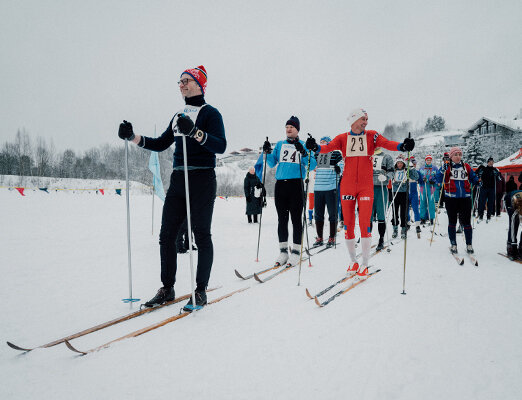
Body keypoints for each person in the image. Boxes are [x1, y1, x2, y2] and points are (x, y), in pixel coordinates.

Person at [118, 65, 226, 310]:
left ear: (200, 84)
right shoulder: (179, 116)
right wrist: (133, 137)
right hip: (179, 179)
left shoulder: (211, 113)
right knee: (167, 235)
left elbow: (220, 146)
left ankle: (200, 291)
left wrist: (196, 133)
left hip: (202, 178)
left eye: (187, 80)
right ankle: (167, 288)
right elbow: (160, 143)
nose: (182, 85)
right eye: (180, 82)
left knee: (201, 234)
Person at [306, 108, 414, 278]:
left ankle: (364, 263)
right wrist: (315, 147)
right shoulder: (343, 137)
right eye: (363, 119)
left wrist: (403, 145)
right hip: (348, 185)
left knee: (365, 223)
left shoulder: (372, 135)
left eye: (367, 119)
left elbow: (387, 143)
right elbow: (327, 148)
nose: (366, 122)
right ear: (354, 120)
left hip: (366, 185)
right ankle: (352, 260)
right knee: (348, 225)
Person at [259, 116, 316, 267]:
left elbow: (312, 165)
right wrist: (266, 151)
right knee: (282, 219)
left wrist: (304, 152)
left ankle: (296, 252)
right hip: (281, 186)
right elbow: (271, 162)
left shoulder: (303, 144)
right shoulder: (280, 144)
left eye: (291, 127)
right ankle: (283, 251)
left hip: (296, 185)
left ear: (297, 129)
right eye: (286, 127)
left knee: (296, 219)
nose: (288, 129)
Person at [435, 147, 479, 254]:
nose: (458, 157)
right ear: (451, 156)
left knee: (467, 222)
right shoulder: (447, 167)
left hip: (465, 198)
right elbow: (438, 179)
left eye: (460, 154)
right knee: (452, 222)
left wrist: (478, 181)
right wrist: (442, 170)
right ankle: (453, 244)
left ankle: (469, 244)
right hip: (451, 198)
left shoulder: (466, 166)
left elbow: (473, 177)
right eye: (456, 155)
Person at [312, 136, 343, 248]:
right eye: (321, 142)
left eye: (324, 142)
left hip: (331, 187)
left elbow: (342, 164)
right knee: (318, 214)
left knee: (332, 214)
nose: (322, 144)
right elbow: (311, 165)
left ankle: (332, 237)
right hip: (318, 188)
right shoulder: (317, 153)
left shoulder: (335, 153)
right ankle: (319, 237)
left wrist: (339, 168)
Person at [371, 147, 394, 249]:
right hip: (368, 188)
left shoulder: (387, 157)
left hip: (381, 188)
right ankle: (366, 237)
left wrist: (386, 177)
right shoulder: (368, 156)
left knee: (381, 215)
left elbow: (392, 172)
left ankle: (381, 238)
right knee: (368, 215)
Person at [391, 155, 419, 239]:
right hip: (395, 193)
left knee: (403, 212)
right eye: (398, 163)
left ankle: (403, 228)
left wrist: (411, 168)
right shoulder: (393, 170)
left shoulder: (406, 170)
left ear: (403, 163)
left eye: (401, 163)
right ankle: (395, 228)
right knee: (394, 212)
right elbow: (388, 176)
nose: (399, 164)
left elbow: (416, 177)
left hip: (404, 193)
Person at [476, 157, 501, 221]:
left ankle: (489, 216)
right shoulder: (483, 169)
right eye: (490, 162)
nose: (491, 163)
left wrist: (497, 175)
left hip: (491, 188)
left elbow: (499, 179)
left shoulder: (494, 170)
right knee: (482, 202)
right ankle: (480, 215)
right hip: (484, 187)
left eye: (492, 162)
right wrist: (479, 175)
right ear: (487, 162)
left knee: (491, 202)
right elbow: (477, 175)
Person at [419, 155, 439, 225]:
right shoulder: (421, 168)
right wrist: (421, 180)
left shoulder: (434, 168)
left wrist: (434, 181)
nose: (428, 161)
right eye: (427, 160)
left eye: (430, 160)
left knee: (431, 203)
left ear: (431, 160)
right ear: (425, 160)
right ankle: (423, 218)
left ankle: (431, 218)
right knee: (423, 202)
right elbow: (418, 177)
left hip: (431, 187)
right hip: (422, 187)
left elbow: (438, 177)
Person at [405, 155, 422, 236]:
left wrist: (424, 180)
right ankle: (407, 223)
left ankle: (417, 225)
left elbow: (421, 179)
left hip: (414, 193)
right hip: (406, 193)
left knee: (415, 209)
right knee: (406, 210)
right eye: (413, 163)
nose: (414, 164)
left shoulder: (417, 172)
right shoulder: (405, 171)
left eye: (415, 163)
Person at [505, 190, 522, 259]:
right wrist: (514, 245)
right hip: (509, 201)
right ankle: (510, 247)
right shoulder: (516, 207)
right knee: (514, 225)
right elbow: (512, 228)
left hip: (519, 199)